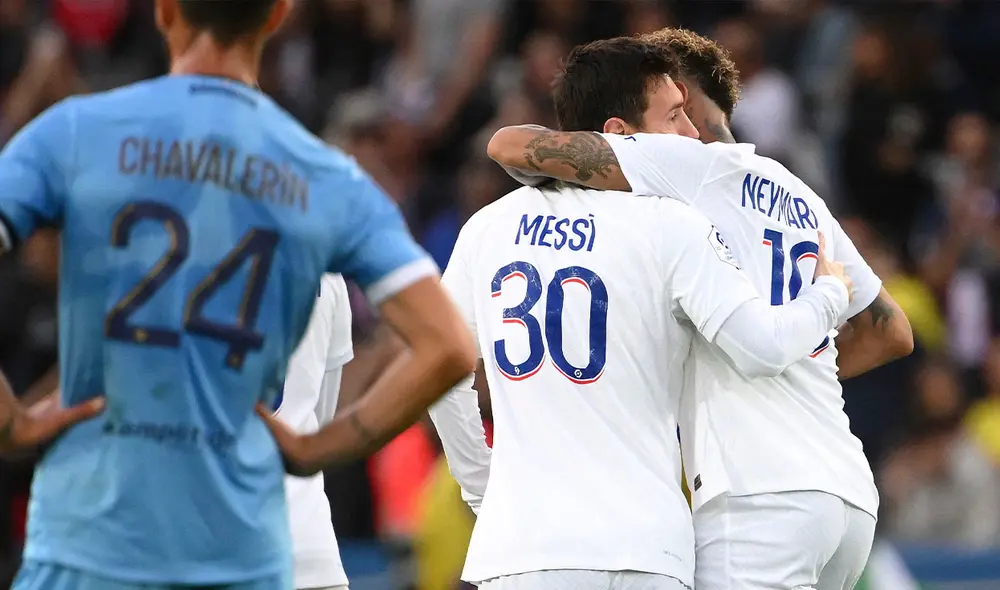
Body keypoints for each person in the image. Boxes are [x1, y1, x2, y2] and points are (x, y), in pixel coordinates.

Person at [0, 0, 477, 588]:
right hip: (245, 551)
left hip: (92, 542)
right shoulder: (325, 180)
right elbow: (449, 344)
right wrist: (315, 449)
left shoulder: (75, 133)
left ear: (165, 10)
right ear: (277, 15)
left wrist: (12, 421)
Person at [486, 29, 914, 590]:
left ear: (679, 90)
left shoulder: (682, 164)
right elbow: (891, 332)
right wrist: (790, 356)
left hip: (758, 494)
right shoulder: (797, 192)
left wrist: (766, 354)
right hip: (845, 493)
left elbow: (510, 146)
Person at [274, 274, 354, 590]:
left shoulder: (174, 257)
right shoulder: (326, 266)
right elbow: (321, 421)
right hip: (308, 540)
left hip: (201, 546)